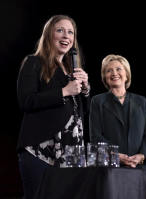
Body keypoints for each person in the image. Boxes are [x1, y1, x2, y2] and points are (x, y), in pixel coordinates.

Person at [17, 15, 90, 199]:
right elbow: (26, 101)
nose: (66, 36)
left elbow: (83, 113)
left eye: (70, 32)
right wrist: (64, 91)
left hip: (72, 154)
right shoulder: (34, 62)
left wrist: (86, 90)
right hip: (40, 150)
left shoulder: (72, 71)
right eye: (60, 30)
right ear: (49, 35)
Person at [89, 54, 146, 182]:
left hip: (139, 168)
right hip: (111, 169)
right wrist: (116, 156)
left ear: (126, 74)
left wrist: (142, 156)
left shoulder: (141, 101)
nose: (114, 73)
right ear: (105, 77)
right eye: (109, 70)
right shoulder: (97, 101)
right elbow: (95, 136)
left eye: (119, 69)